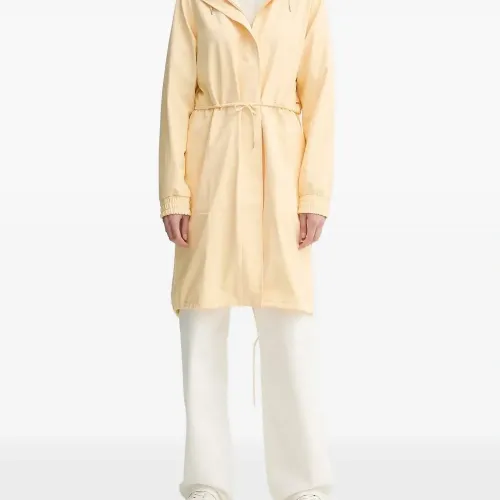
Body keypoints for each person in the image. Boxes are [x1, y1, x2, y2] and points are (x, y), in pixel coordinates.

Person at [158, 0, 335, 498]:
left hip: (281, 177)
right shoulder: (194, 3)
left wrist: (314, 194)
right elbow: (175, 97)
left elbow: (320, 99)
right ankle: (206, 481)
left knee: (289, 329)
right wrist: (174, 191)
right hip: (210, 175)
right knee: (202, 325)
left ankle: (302, 483)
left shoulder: (306, 4)